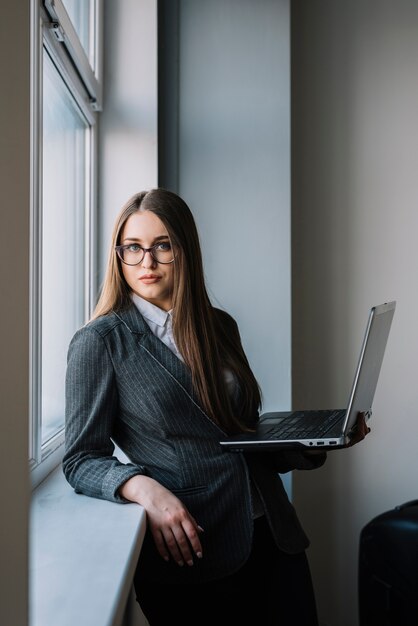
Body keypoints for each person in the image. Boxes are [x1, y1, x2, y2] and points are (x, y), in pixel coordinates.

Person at [63, 188, 369, 626]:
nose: (146, 262)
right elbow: (80, 459)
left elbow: (240, 435)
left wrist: (316, 438)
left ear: (186, 249)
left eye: (162, 246)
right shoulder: (100, 342)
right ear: (119, 254)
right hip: (195, 548)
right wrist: (143, 488)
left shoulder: (220, 326)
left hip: (272, 534)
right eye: (133, 248)